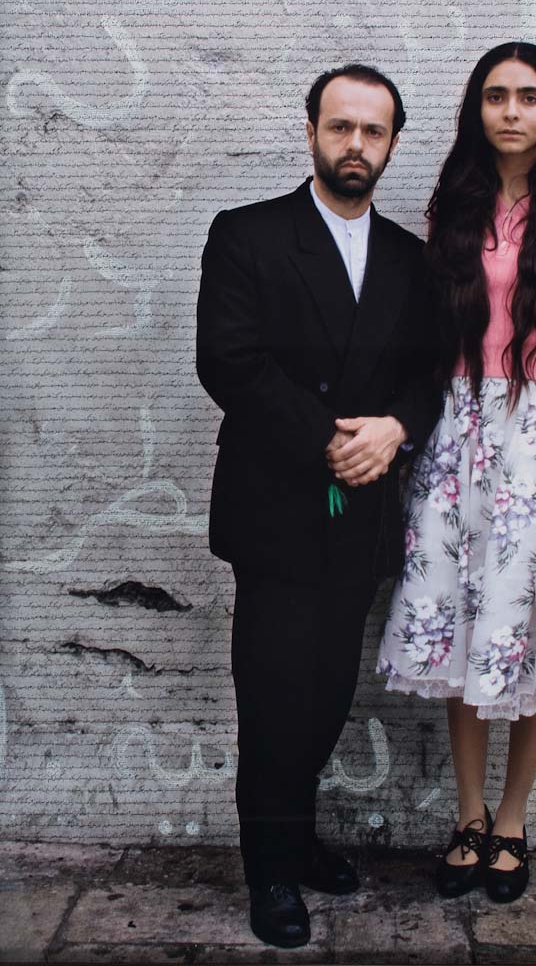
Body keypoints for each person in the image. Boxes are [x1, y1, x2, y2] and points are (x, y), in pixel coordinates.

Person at [196, 64, 440, 948]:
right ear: (311, 132)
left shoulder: (412, 260)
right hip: (276, 509)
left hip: (361, 515)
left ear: (392, 144)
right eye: (341, 126)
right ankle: (270, 871)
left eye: (373, 131)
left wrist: (397, 428)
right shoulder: (247, 235)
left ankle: (296, 842)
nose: (355, 145)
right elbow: (228, 360)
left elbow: (430, 371)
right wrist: (330, 441)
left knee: (330, 692)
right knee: (272, 699)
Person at [376, 42, 536, 904]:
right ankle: (469, 816)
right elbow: (428, 331)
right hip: (457, 434)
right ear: (476, 110)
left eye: (528, 95)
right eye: (495, 96)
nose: (511, 111)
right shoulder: (455, 202)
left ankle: (513, 819)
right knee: (460, 619)